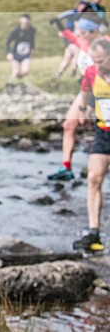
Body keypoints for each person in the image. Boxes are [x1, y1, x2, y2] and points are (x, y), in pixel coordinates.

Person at [48, 17, 102, 181]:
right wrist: (58, 22)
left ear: (95, 32)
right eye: (80, 32)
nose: (81, 35)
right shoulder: (84, 42)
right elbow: (70, 36)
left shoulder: (105, 45)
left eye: (84, 32)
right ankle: (66, 168)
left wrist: (89, 107)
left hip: (104, 91)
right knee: (69, 125)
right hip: (87, 89)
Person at [72, 38, 110, 252]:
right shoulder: (91, 73)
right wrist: (83, 109)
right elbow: (85, 91)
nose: (97, 65)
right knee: (94, 178)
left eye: (101, 61)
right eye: (94, 61)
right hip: (103, 132)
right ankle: (94, 232)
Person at [5, 14, 35, 81]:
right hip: (15, 55)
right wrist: (8, 53)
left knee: (26, 71)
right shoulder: (16, 31)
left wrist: (32, 49)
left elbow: (32, 41)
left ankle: (17, 80)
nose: (24, 25)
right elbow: (8, 42)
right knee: (15, 71)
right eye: (22, 23)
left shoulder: (32, 30)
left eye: (26, 23)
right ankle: (9, 85)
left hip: (26, 55)